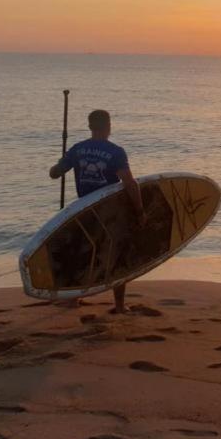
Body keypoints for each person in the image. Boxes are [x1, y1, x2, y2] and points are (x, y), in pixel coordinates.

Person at [49, 109, 145, 313]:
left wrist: (58, 165)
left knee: (81, 253)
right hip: (110, 211)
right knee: (117, 255)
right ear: (109, 126)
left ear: (90, 127)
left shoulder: (77, 149)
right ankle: (119, 306)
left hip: (84, 211)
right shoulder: (116, 152)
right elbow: (130, 183)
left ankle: (73, 299)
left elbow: (55, 174)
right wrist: (139, 210)